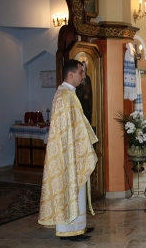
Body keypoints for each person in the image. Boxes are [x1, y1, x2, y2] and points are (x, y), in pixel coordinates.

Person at [38, 60, 98, 241]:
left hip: (73, 150)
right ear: (70, 74)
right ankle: (69, 229)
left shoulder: (67, 94)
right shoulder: (65, 96)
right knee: (70, 188)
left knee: (76, 190)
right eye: (81, 72)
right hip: (69, 153)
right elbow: (67, 130)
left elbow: (75, 125)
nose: (84, 76)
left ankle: (78, 226)